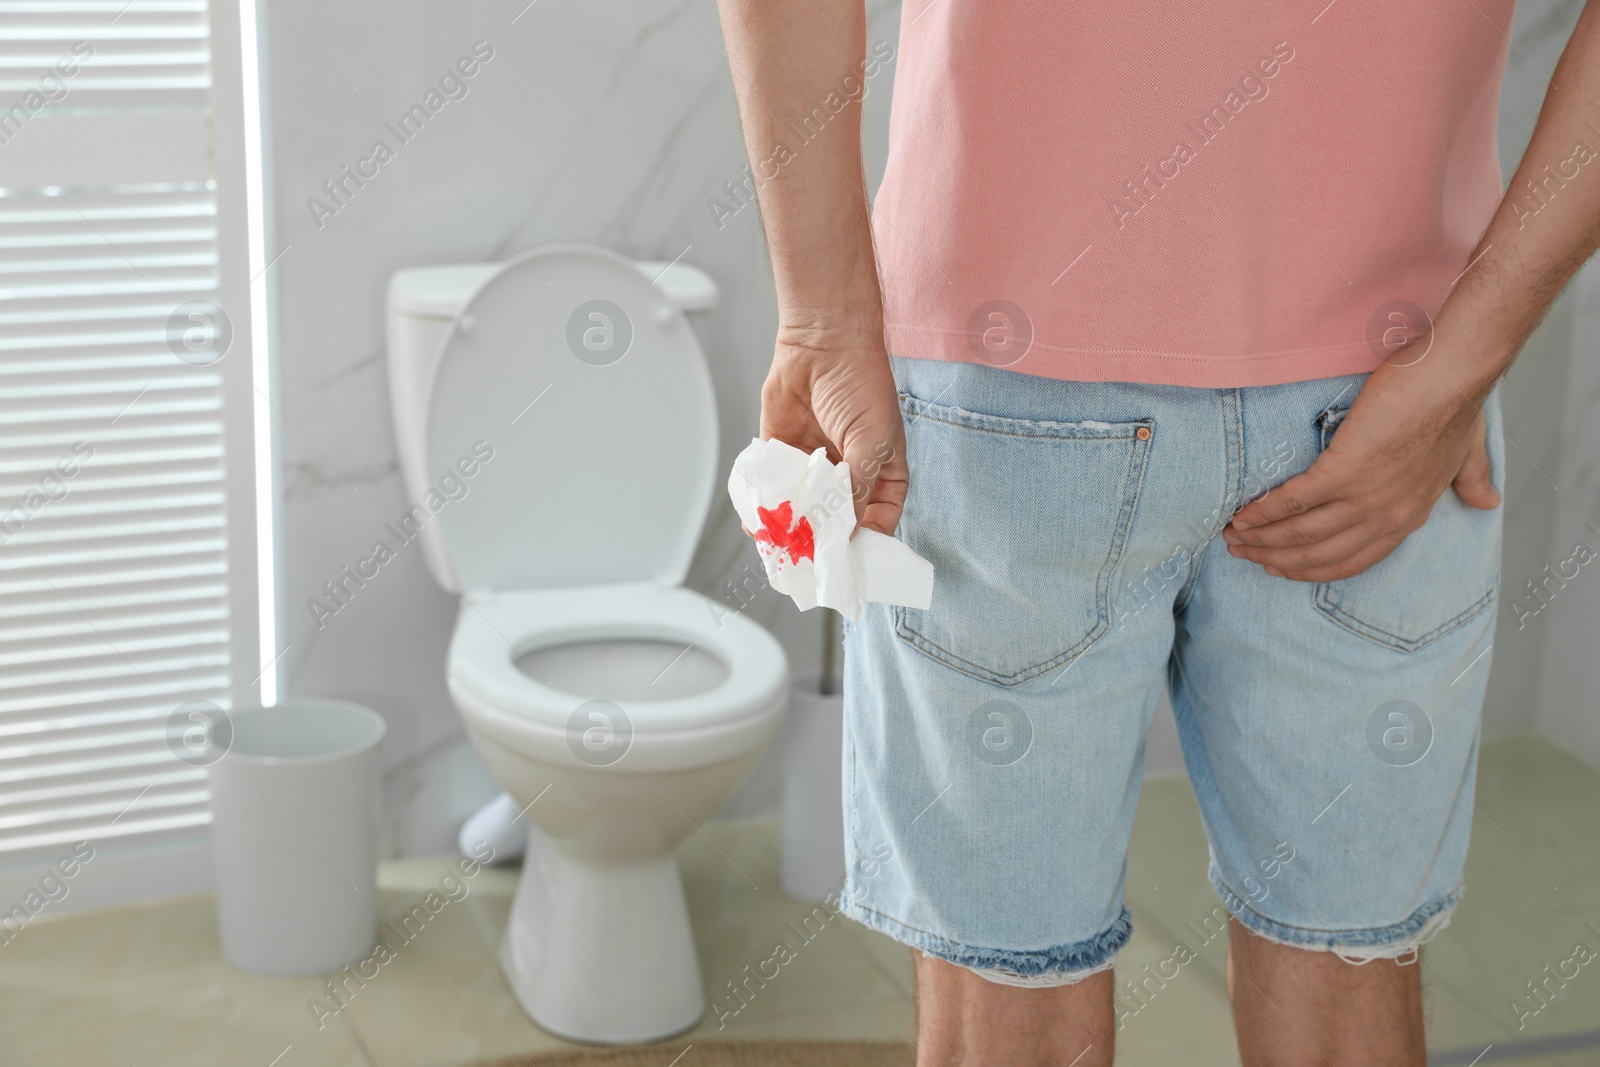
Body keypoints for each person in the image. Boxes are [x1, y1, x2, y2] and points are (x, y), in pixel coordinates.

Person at [714, 1, 1600, 1063]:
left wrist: (821, 314)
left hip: (1010, 368)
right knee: (1343, 1003)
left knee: (1009, 1009)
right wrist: (1463, 357)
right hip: (1389, 385)